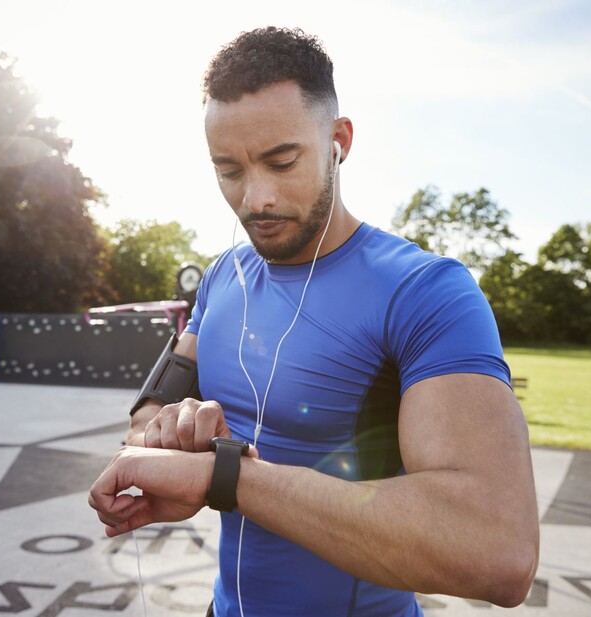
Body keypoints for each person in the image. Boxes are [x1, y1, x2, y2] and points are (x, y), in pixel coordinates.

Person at [89, 26, 539, 616]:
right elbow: (151, 410)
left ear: (338, 140)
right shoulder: (223, 275)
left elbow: (498, 552)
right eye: (229, 170)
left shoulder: (427, 291)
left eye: (282, 161)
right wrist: (169, 437)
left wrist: (224, 479)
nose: (257, 199)